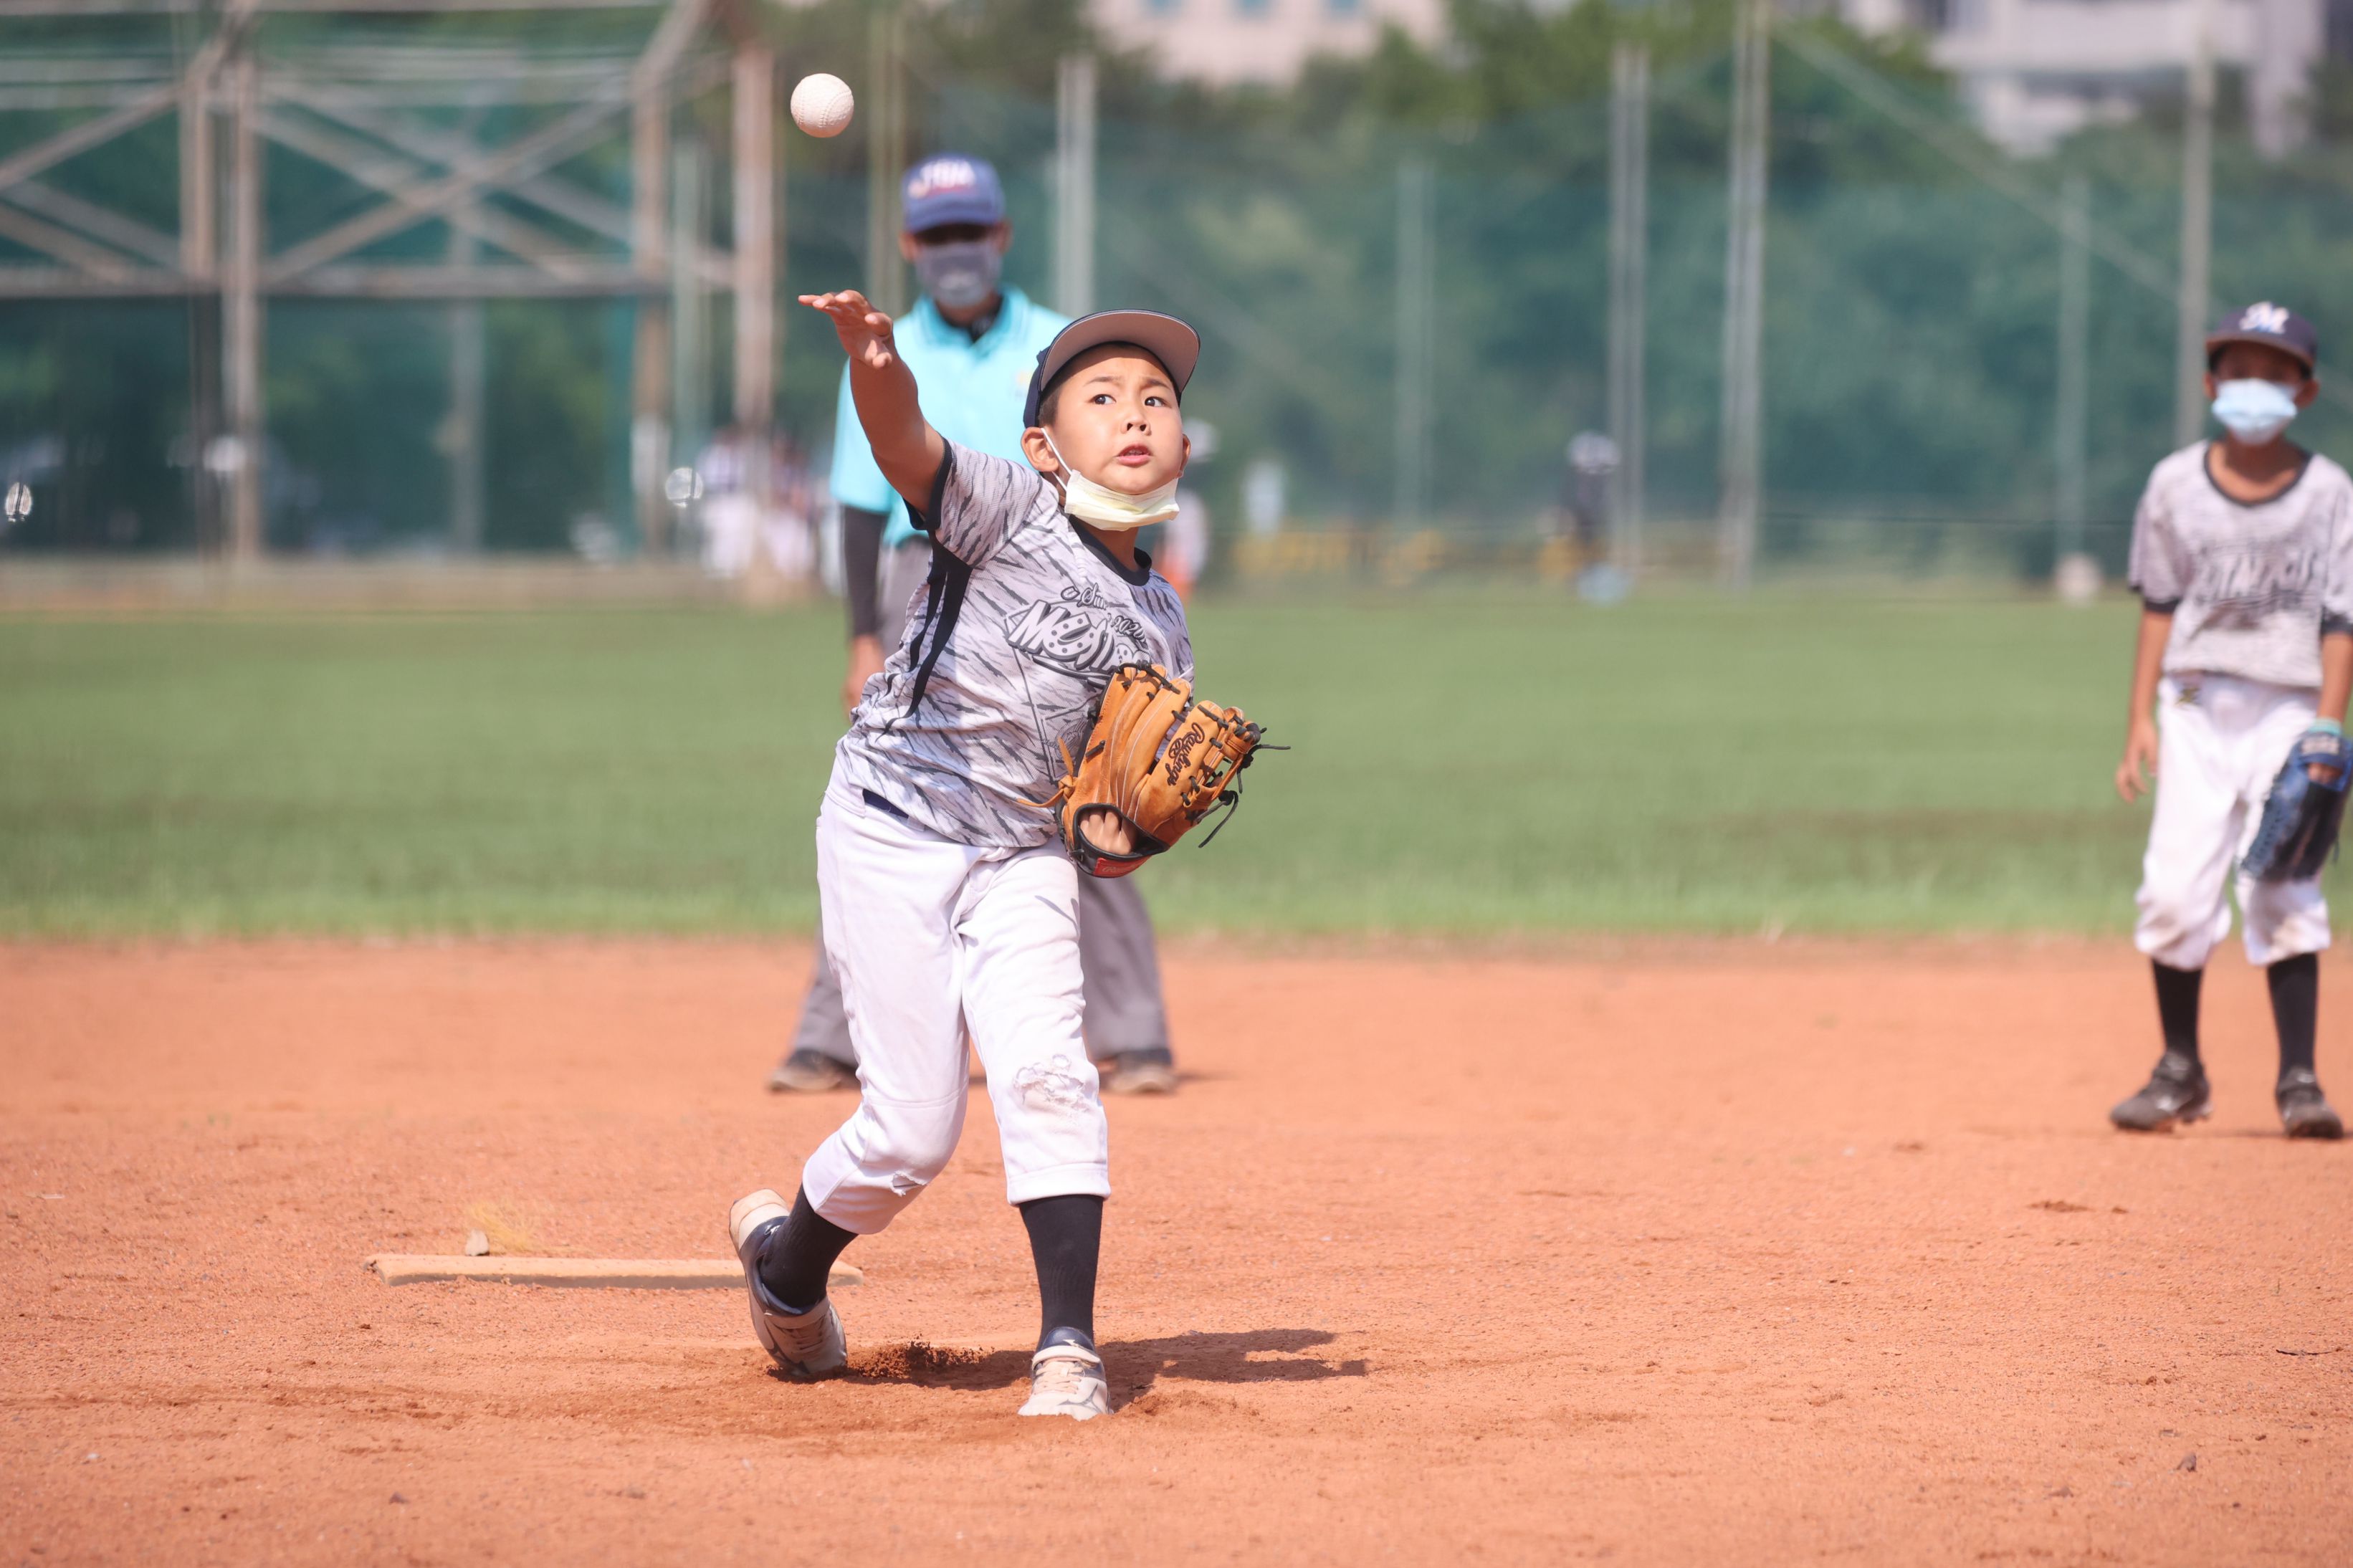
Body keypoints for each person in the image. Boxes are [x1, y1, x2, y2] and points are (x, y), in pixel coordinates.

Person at [730, 295, 1207, 1420]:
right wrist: (876, 361)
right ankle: (786, 1273)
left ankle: (1068, 1349)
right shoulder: (1004, 506)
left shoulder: (1164, 623)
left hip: (1020, 858)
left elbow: (1106, 815)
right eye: (1101, 397)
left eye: (1156, 400)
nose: (1134, 414)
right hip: (891, 824)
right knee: (909, 1133)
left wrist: (1120, 838)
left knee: (1049, 1074)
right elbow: (902, 442)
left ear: (1183, 450)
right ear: (1043, 445)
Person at [770, 152, 1180, 1099]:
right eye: (937, 235)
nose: (955, 250)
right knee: (892, 790)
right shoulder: (881, 349)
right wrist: (861, 636)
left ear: (1000, 235)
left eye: (969, 231)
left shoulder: (1059, 346)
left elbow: (1117, 477)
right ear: (910, 245)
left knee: (1083, 796)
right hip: (920, 579)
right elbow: (860, 503)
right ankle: (833, 1036)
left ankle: (1134, 1030)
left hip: (1054, 580)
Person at [2110, 301, 2349, 1140]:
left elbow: (2341, 618)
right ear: (2211, 384)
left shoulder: (2330, 494)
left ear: (2304, 391)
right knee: (2174, 890)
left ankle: (2298, 1079)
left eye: (2274, 373)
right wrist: (2138, 716)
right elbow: (2158, 603)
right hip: (2193, 702)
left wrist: (2327, 725)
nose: (2254, 386)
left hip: (2289, 703)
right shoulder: (2174, 484)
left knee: (2281, 878)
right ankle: (2181, 1069)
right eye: (2238, 370)